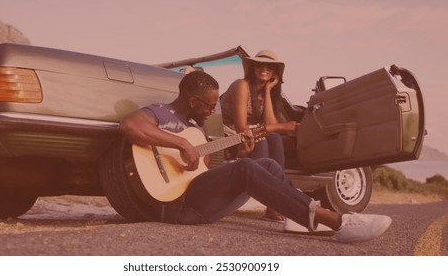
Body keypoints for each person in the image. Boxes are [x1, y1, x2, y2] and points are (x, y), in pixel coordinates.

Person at [118, 70, 392, 243]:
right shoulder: (161, 113)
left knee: (266, 165)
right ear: (192, 101)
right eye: (210, 105)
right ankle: (336, 221)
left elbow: (201, 177)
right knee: (247, 168)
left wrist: (241, 154)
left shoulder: (196, 129)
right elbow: (130, 126)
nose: (212, 111)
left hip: (194, 200)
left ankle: (297, 218)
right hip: (173, 207)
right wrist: (181, 144)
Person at [220, 49, 297, 222]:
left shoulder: (268, 92)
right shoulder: (242, 85)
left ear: (275, 72)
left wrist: (269, 90)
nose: (264, 68)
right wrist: (284, 125)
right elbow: (241, 127)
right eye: (259, 64)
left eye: (269, 66)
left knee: (274, 138)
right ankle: (268, 197)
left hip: (250, 134)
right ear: (252, 68)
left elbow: (271, 125)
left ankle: (272, 206)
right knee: (261, 140)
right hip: (226, 136)